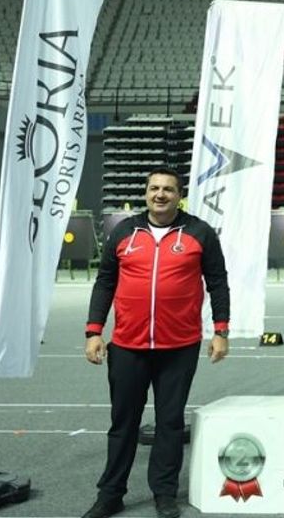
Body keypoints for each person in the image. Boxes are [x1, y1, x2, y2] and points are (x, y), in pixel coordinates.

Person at [82, 167, 230, 518]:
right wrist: (93, 331)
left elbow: (217, 281)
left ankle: (164, 494)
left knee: (170, 423)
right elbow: (105, 282)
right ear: (146, 193)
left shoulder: (200, 232)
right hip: (128, 345)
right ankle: (110, 494)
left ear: (180, 196)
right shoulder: (124, 231)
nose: (160, 194)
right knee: (123, 423)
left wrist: (221, 331)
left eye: (168, 189)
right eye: (154, 188)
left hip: (179, 346)